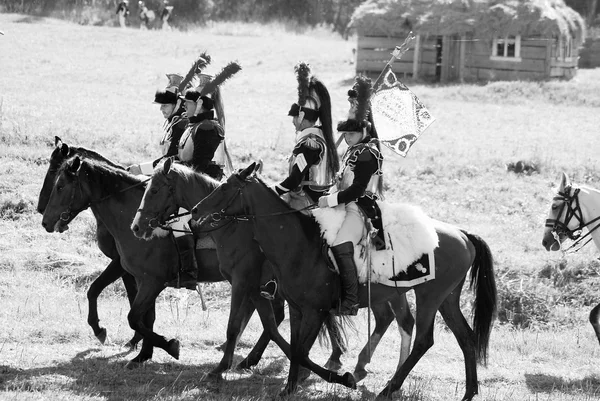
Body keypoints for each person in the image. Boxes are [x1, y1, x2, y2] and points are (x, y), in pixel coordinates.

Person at [317, 75, 384, 316]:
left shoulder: (368, 153)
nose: (347, 137)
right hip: (343, 205)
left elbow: (357, 190)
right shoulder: (353, 151)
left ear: (364, 130)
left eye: (352, 134)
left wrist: (332, 199)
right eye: (345, 134)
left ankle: (351, 301)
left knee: (339, 243)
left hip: (360, 209)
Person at [172, 61, 241, 288]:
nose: (185, 107)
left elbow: (200, 167)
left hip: (206, 187)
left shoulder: (208, 128)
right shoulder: (195, 126)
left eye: (189, 103)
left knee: (179, 219)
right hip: (193, 184)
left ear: (199, 104)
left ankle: (189, 271)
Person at [271, 62, 339, 211]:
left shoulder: (309, 143)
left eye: (294, 117)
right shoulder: (320, 138)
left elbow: (294, 180)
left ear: (301, 116)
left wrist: (272, 191)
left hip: (307, 203)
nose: (293, 121)